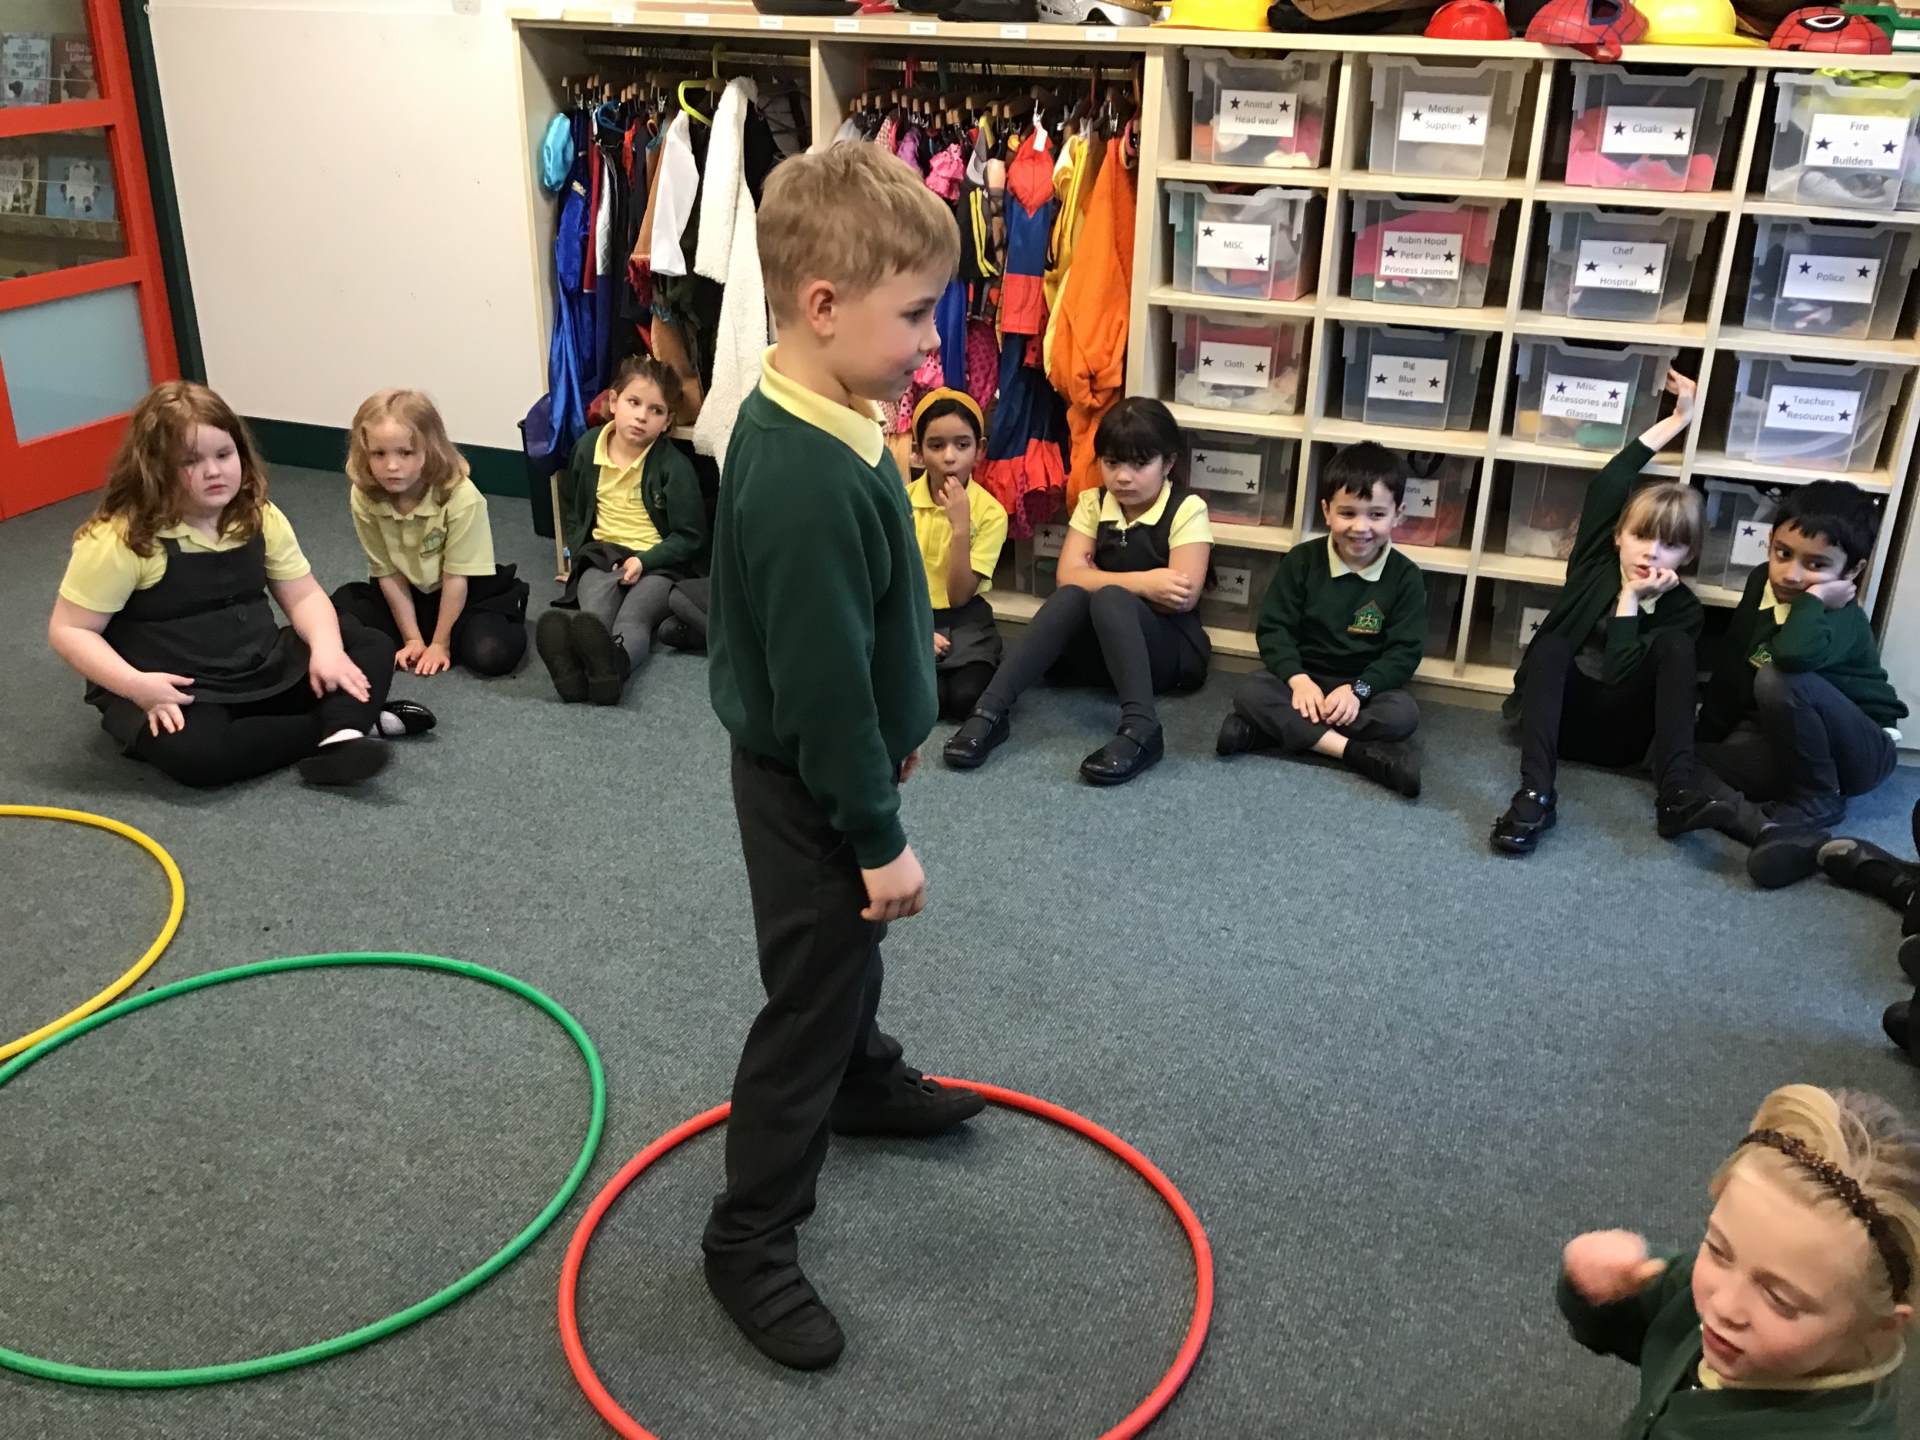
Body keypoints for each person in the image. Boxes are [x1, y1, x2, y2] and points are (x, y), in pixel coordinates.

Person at [701, 142, 984, 1373]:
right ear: (823, 305)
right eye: (915, 314)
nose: (933, 341)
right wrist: (876, 833)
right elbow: (816, 691)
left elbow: (851, 625)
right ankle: (749, 1239)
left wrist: (892, 709)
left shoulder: (836, 411)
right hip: (815, 790)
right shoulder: (802, 478)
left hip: (838, 761)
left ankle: (863, 1084)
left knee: (843, 962)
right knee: (809, 998)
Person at [46, 381, 432, 788]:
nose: (214, 471)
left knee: (368, 643)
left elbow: (303, 594)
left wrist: (327, 650)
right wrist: (136, 686)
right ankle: (344, 727)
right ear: (154, 468)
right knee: (199, 756)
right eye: (190, 461)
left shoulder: (258, 515)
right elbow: (70, 630)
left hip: (257, 664)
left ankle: (341, 729)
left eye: (224, 454)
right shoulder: (121, 538)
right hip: (174, 686)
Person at [1557, 1083, 1916, 1437]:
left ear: (1879, 1328)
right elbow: (1646, 1320)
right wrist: (1596, 1289)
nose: (1723, 1305)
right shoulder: (1725, 1293)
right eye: (1718, 1250)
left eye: (1778, 1299)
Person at [942, 397, 1212, 786]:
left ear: (1168, 463)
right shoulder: (1094, 502)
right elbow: (1068, 577)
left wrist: (1099, 579)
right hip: (1103, 652)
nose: (1123, 477)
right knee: (1073, 598)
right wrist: (1146, 582)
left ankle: (1142, 728)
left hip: (1166, 653)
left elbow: (1180, 596)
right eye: (1112, 463)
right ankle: (988, 712)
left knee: (1109, 597)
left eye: (1139, 464)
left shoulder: (1187, 508)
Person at [1491, 371, 1705, 856]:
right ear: (1616, 537)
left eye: (1671, 544)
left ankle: (1676, 794)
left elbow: (1620, 670)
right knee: (1551, 646)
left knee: (1675, 646)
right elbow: (1612, 480)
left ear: (1688, 556)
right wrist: (1678, 419)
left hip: (1627, 742)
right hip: (1562, 725)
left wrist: (1631, 601)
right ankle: (1535, 794)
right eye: (1641, 536)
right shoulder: (1594, 564)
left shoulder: (1683, 609)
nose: (1652, 552)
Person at [1662, 480, 1907, 882]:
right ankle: (1763, 828)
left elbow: (1792, 656)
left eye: (1816, 565)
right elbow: (1735, 664)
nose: (1790, 574)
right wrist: (1708, 735)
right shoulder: (1762, 582)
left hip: (1859, 750)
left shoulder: (1838, 617)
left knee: (1778, 677)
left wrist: (1813, 601)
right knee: (1673, 755)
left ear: (1853, 571)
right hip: (1781, 738)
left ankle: (1818, 800)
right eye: (1783, 553)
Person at [1216, 441, 1424, 798]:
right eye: (1348, 513)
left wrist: (1359, 690)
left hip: (1362, 687)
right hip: (1302, 679)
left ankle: (1265, 733)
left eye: (1376, 515)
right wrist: (1298, 680)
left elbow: (1404, 653)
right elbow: (1274, 630)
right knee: (1250, 692)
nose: (1360, 527)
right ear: (1326, 511)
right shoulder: (1301, 561)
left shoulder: (1406, 576)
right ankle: (1354, 753)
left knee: (1404, 714)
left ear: (1398, 514)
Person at [534, 355, 710, 704]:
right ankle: (575, 672)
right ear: (613, 402)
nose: (642, 416)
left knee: (633, 618)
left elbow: (691, 536)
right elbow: (575, 511)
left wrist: (645, 561)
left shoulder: (674, 466)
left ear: (667, 421)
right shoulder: (588, 448)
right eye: (634, 402)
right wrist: (573, 560)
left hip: (658, 563)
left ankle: (615, 667)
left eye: (656, 410)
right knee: (593, 619)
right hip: (603, 555)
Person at [329, 389, 529, 678]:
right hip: (407, 592)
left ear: (430, 450)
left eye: (405, 453)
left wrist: (439, 644)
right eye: (379, 454)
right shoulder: (363, 495)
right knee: (332, 621)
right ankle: (415, 637)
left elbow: (456, 578)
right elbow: (387, 573)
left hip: (463, 591)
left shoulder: (461, 496)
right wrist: (412, 638)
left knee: (490, 653)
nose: (392, 466)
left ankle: (502, 613)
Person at [908, 388, 1008, 720]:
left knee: (966, 698)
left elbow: (959, 596)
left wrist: (961, 527)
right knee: (930, 701)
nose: (949, 457)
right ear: (918, 452)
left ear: (980, 449)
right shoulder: (901, 502)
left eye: (962, 445)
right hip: (913, 615)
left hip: (966, 618)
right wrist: (918, 632)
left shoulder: (991, 512)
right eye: (936, 446)